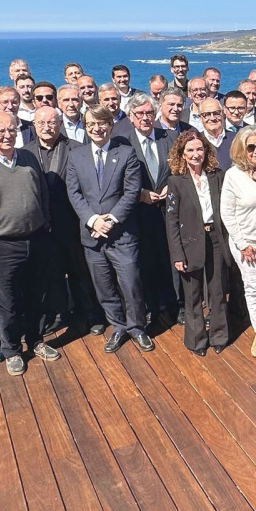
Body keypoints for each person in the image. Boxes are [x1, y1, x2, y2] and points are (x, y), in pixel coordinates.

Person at [0, 111, 60, 376]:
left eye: (11, 130)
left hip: (37, 240)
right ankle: (12, 349)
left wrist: (46, 225)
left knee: (37, 296)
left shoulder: (27, 157)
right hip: (1, 246)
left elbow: (42, 195)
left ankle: (36, 341)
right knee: (6, 302)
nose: (7, 135)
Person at [65, 106, 152, 354]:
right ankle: (118, 326)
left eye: (102, 123)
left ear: (110, 125)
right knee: (103, 286)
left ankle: (137, 328)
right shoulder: (76, 156)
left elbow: (131, 191)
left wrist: (111, 220)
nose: (97, 128)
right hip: (92, 236)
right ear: (85, 126)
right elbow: (74, 192)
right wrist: (93, 220)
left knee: (130, 283)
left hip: (122, 233)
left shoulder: (126, 153)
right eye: (91, 124)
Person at [25, 106, 105, 337]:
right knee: (50, 276)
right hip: (40, 227)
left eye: (52, 123)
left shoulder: (78, 149)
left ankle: (91, 314)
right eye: (41, 123)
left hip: (72, 223)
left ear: (60, 124)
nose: (47, 127)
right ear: (34, 125)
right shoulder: (25, 152)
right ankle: (58, 315)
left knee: (81, 273)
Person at [112, 93, 179, 324]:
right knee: (143, 262)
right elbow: (116, 180)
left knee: (169, 259)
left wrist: (172, 185)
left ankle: (174, 304)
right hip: (137, 213)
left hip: (167, 211)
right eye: (139, 114)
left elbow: (181, 170)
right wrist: (139, 194)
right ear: (130, 116)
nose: (145, 118)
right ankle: (151, 306)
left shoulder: (170, 138)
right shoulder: (121, 143)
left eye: (149, 113)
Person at [164, 130, 229, 356]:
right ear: (182, 154)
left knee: (217, 290)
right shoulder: (175, 182)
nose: (195, 154)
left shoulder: (217, 176)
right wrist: (177, 255)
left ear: (206, 151)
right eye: (190, 150)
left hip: (216, 239)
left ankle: (219, 335)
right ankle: (196, 340)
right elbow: (171, 220)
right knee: (192, 295)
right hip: (189, 241)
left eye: (199, 149)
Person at [221, 127, 256, 357]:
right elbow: (227, 214)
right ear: (242, 149)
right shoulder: (233, 175)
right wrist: (242, 244)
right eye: (251, 147)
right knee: (254, 288)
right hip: (247, 243)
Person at [197, 98, 236, 167]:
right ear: (200, 118)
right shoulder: (197, 141)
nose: (212, 118)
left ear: (223, 114)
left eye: (216, 113)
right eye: (207, 114)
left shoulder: (236, 139)